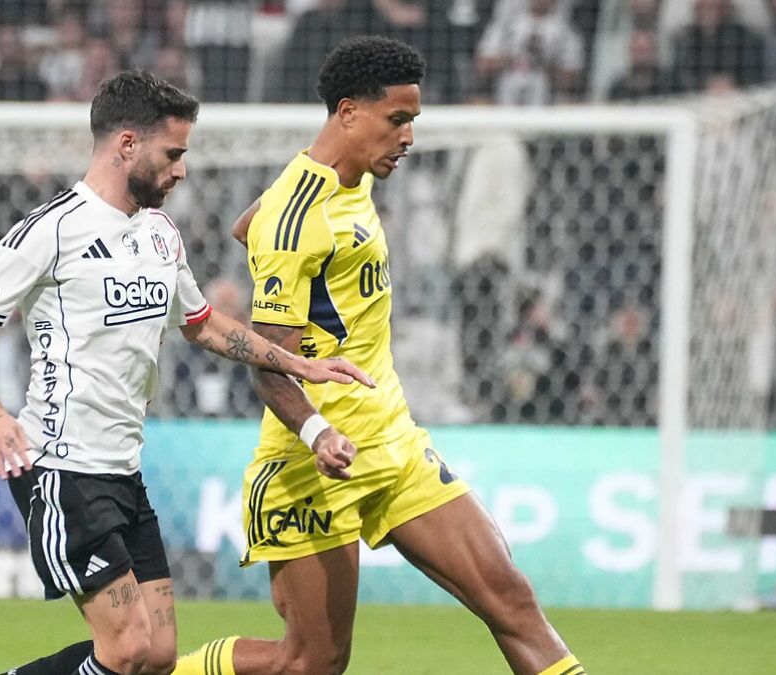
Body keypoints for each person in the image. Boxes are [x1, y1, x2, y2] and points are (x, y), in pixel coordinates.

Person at [175, 36, 583, 675]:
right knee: (311, 663)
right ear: (348, 113)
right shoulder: (296, 219)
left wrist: (276, 227)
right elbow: (269, 370)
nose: (408, 136)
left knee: (511, 599)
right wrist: (318, 432)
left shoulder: (346, 181)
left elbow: (247, 224)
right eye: (397, 119)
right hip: (314, 463)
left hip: (393, 444)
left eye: (412, 120)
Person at [0, 70, 372, 675]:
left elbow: (202, 324)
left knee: (159, 658)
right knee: (126, 651)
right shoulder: (52, 230)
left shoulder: (160, 234)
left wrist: (297, 362)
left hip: (122, 469)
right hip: (61, 466)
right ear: (126, 145)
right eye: (173, 154)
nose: (182, 170)